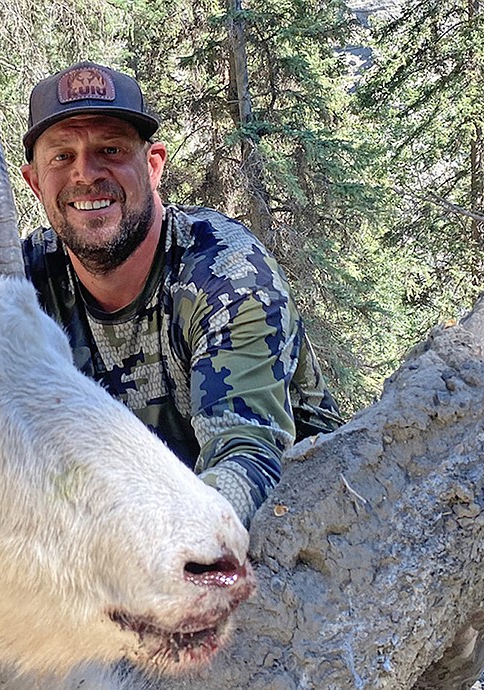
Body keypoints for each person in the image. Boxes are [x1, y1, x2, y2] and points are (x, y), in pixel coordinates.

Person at [19, 61, 344, 527]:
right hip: (121, 519)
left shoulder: (226, 276)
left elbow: (249, 461)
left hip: (300, 526)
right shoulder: (23, 280)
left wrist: (145, 547)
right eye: (62, 157)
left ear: (153, 167)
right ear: (35, 182)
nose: (86, 174)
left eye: (110, 149)